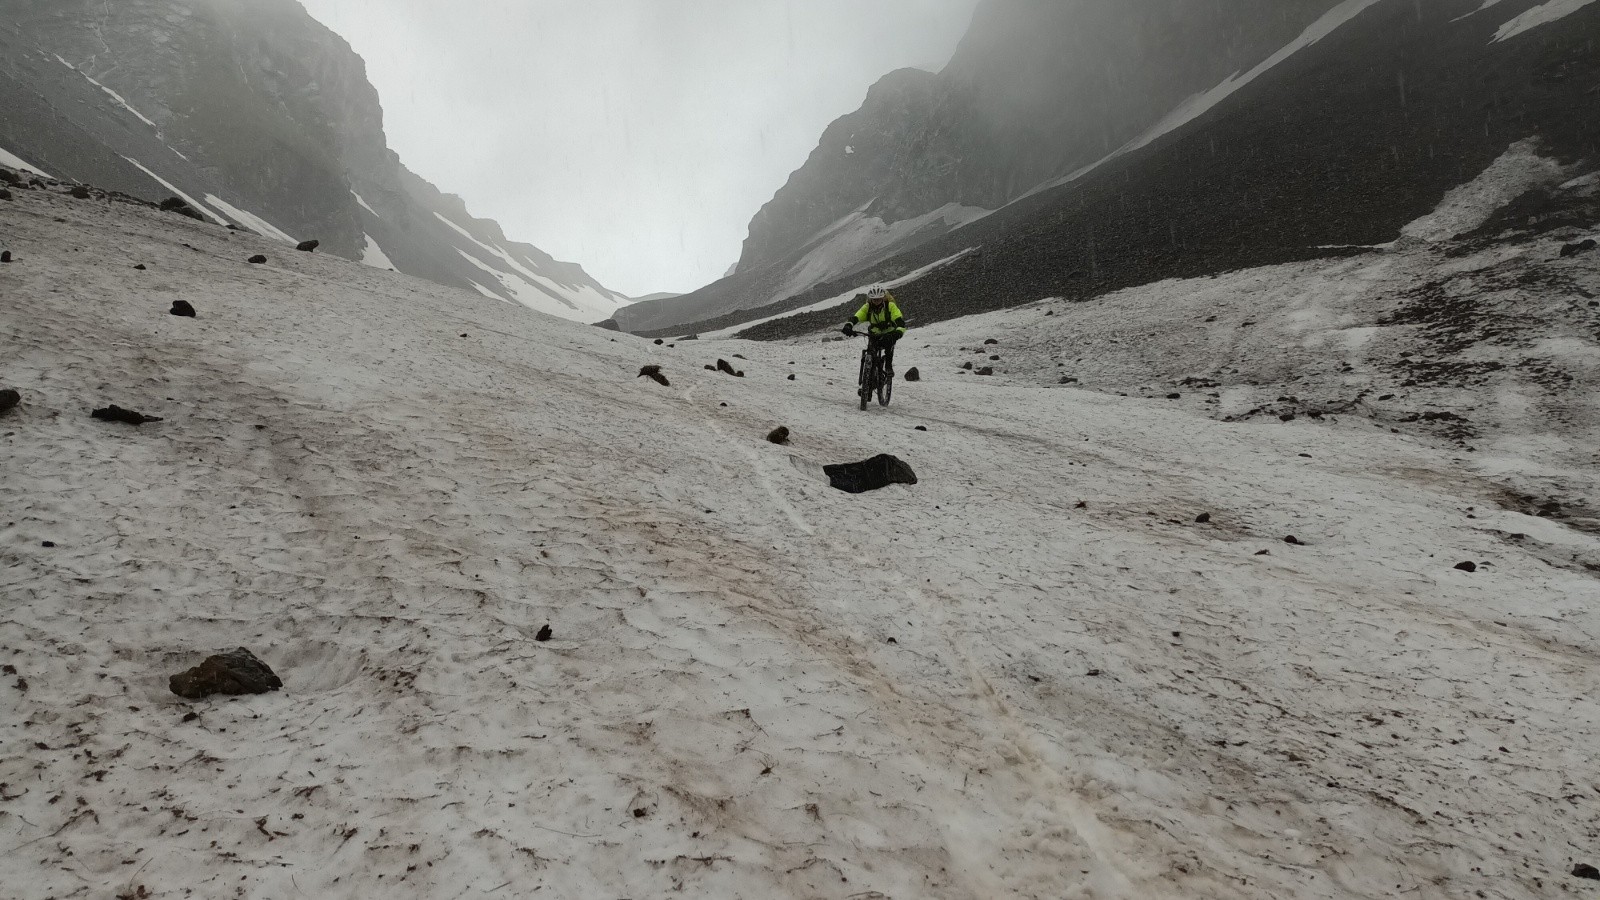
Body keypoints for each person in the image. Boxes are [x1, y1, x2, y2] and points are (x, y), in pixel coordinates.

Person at [841, 286, 906, 376]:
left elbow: (899, 321)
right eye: (874, 300)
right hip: (874, 334)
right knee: (871, 352)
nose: (876, 302)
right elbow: (858, 316)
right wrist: (849, 325)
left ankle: (888, 366)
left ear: (883, 298)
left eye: (878, 299)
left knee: (889, 345)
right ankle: (868, 377)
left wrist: (898, 333)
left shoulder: (890, 306)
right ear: (870, 299)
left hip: (889, 333)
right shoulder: (867, 307)